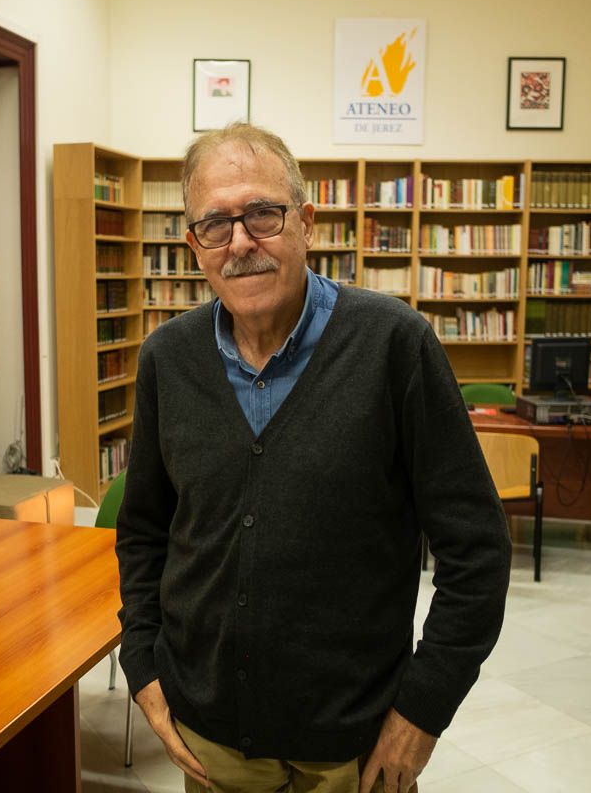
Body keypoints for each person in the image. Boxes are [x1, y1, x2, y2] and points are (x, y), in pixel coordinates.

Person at [116, 123, 511, 793]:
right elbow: (146, 532)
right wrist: (143, 666)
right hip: (212, 742)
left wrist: (422, 710)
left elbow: (477, 552)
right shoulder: (167, 359)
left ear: (307, 221)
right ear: (193, 245)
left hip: (353, 748)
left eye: (262, 215)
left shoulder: (395, 346)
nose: (241, 242)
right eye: (215, 224)